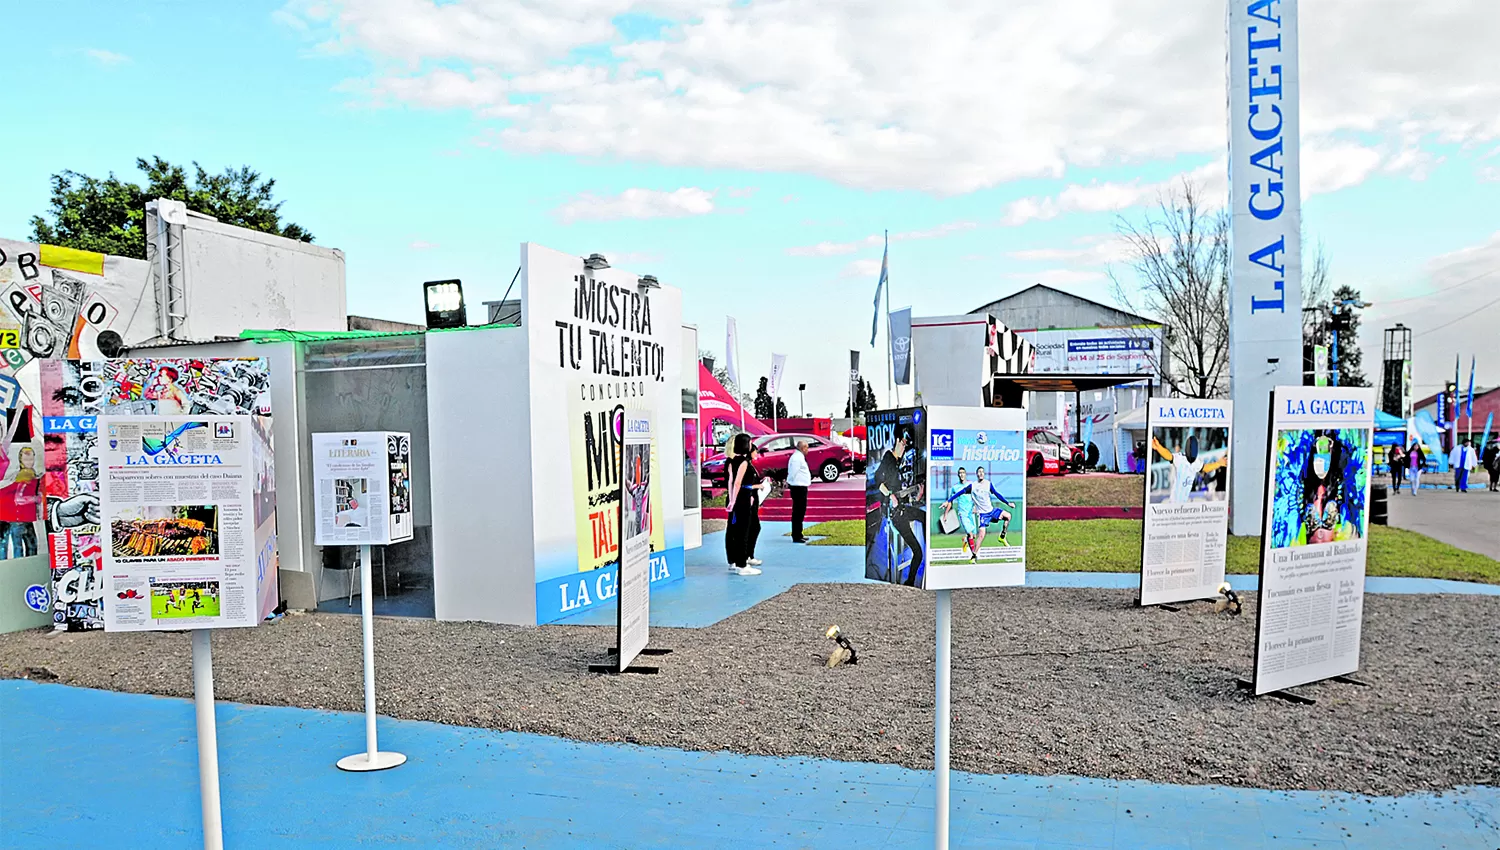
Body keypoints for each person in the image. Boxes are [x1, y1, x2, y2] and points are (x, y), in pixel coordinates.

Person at [873, 428, 924, 586]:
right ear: (896, 441)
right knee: (918, 552)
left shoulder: (897, 462)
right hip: (897, 514)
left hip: (903, 510)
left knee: (925, 518)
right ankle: (910, 582)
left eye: (905, 444)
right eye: (902, 443)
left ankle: (913, 578)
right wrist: (890, 495)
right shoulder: (889, 457)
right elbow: (877, 479)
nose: (904, 446)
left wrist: (918, 494)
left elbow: (901, 492)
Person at [723, 434, 762, 575]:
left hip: (739, 497)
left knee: (736, 529)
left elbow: (730, 482)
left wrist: (731, 499)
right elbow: (737, 482)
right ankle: (742, 564)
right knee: (743, 531)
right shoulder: (743, 462)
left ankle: (736, 561)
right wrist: (734, 501)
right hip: (742, 498)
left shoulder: (732, 461)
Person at [1150, 433, 1227, 504]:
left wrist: (1218, 463)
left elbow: (1205, 468)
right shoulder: (1180, 458)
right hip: (1174, 502)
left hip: (1184, 502)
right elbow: (1169, 456)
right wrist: (1158, 447)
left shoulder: (1196, 462)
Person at [958, 465, 1017, 554]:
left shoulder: (988, 484)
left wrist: (1008, 503)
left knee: (1008, 516)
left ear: (984, 474)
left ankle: (1002, 536)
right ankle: (973, 556)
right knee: (979, 535)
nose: (981, 473)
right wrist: (948, 501)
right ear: (976, 474)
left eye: (982, 471)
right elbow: (961, 493)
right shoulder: (972, 486)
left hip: (991, 511)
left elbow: (997, 494)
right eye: (979, 472)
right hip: (981, 514)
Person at [940, 467, 980, 561]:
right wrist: (946, 514)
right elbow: (950, 501)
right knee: (970, 534)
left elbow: (976, 496)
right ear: (958, 475)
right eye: (960, 473)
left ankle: (965, 540)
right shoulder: (955, 488)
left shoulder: (971, 484)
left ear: (965, 474)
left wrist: (976, 507)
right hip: (963, 513)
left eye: (963, 473)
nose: (962, 475)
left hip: (971, 513)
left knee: (973, 536)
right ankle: (973, 556)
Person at [787, 440, 812, 543]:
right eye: (807, 448)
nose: (808, 450)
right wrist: (789, 482)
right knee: (798, 511)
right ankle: (796, 535)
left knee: (800, 511)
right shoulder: (797, 458)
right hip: (798, 487)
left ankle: (799, 533)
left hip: (800, 486)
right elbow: (793, 472)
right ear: (803, 448)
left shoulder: (799, 457)